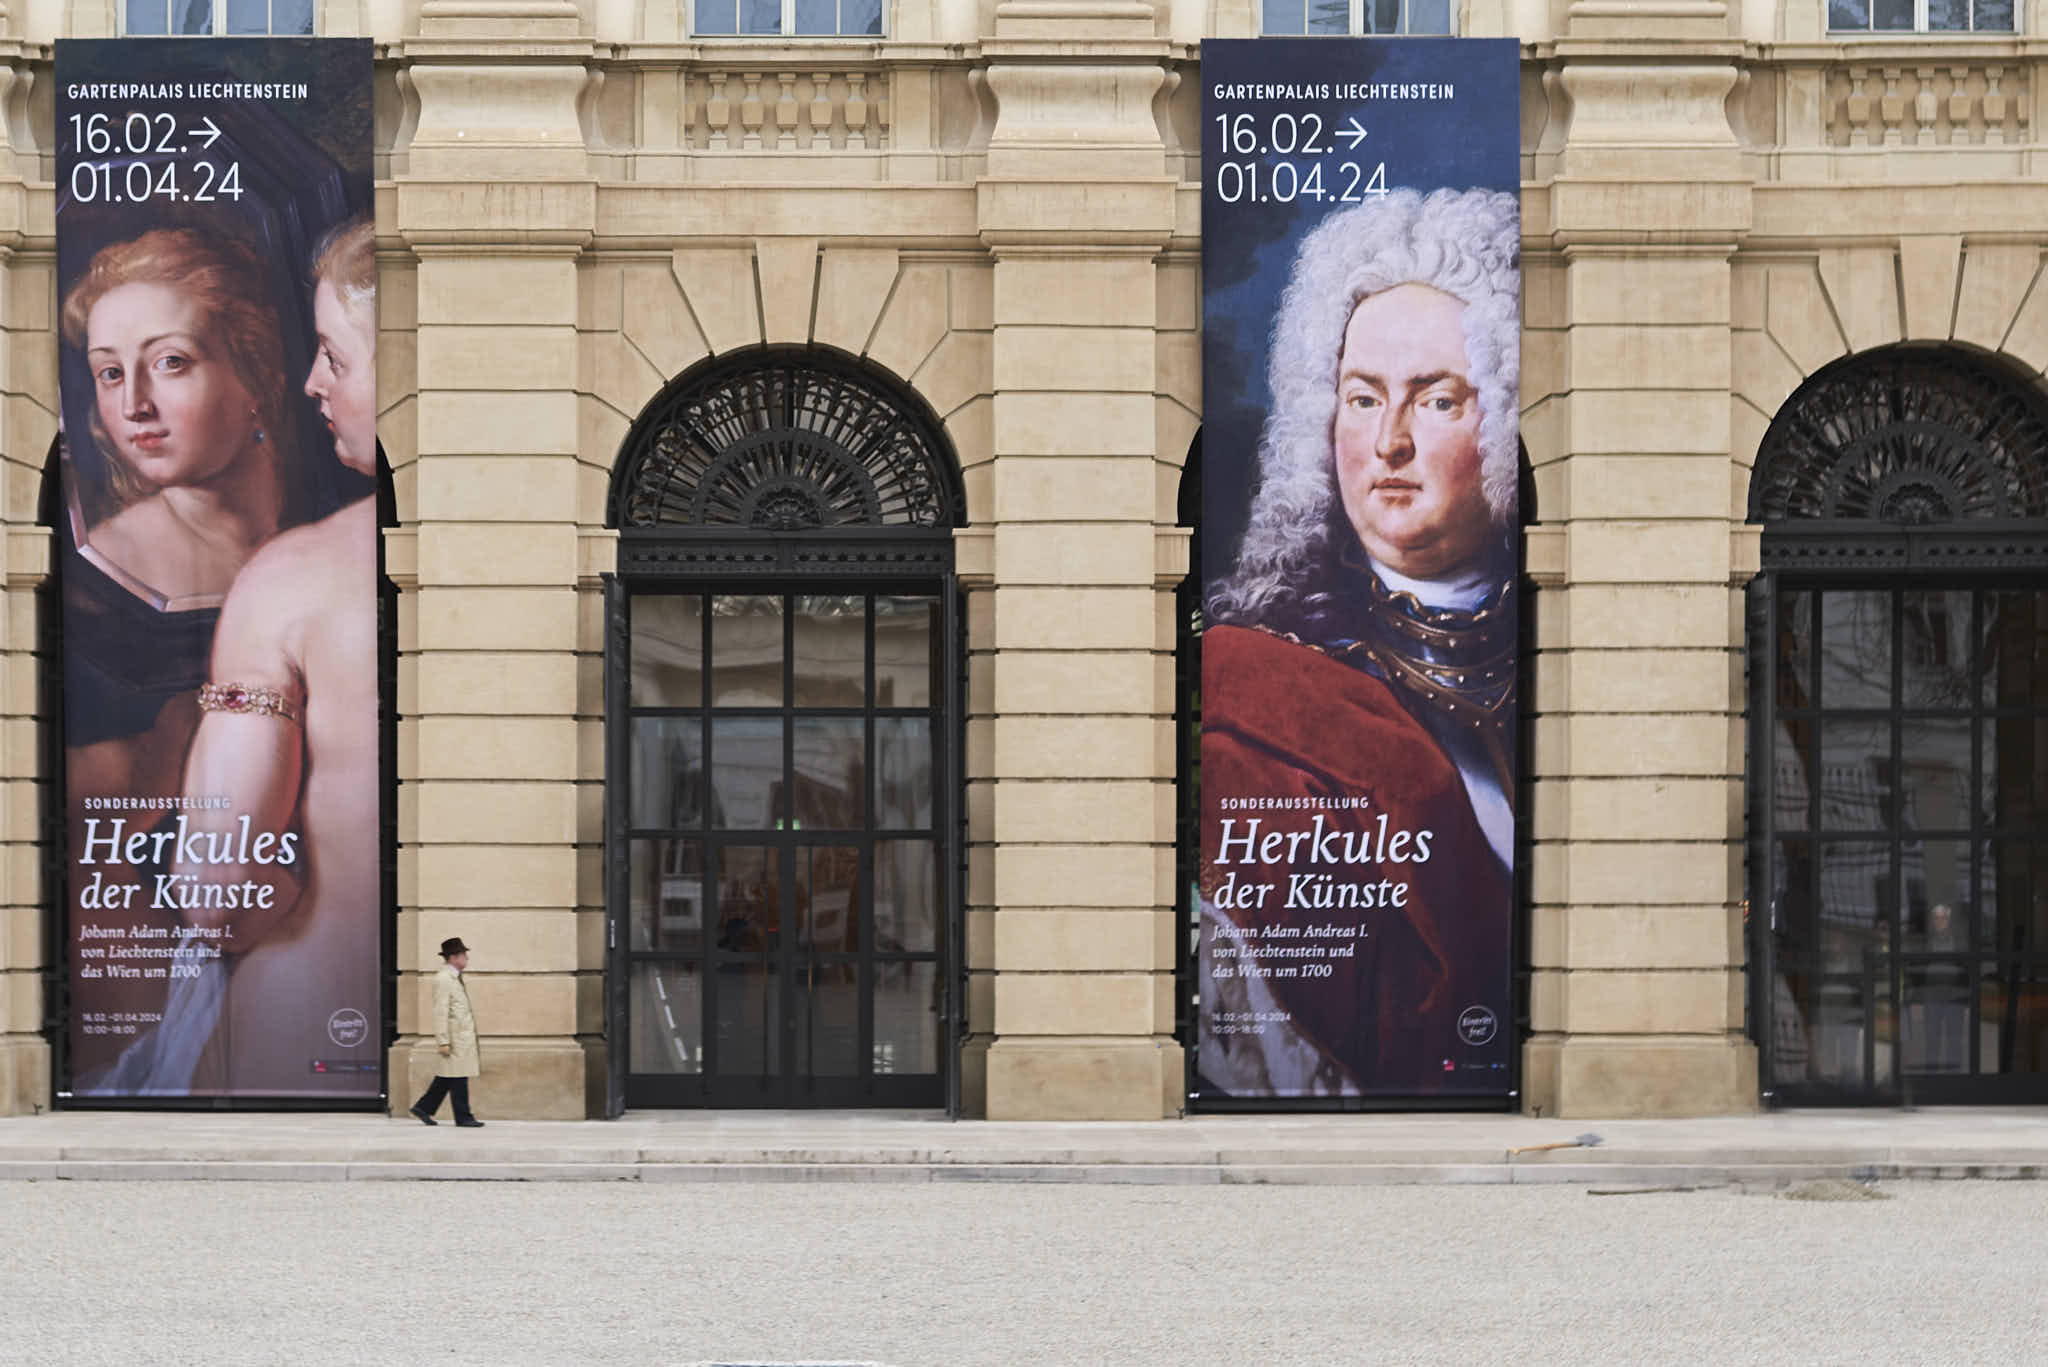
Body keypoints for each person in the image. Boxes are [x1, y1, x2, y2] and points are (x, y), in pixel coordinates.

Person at [1199, 188, 1519, 1097]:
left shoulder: (1549, 659)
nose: (1390, 441)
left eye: (1438, 399)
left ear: (1502, 419)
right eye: (1362, 397)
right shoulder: (1262, 678)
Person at [59, 227, 307, 1090]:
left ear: (254, 373)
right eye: (109, 371)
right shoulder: (97, 587)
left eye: (168, 362)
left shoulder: (322, 535)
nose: (133, 405)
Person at [168, 217, 380, 1094]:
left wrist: (300, 895)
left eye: (336, 355)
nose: (310, 383)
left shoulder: (292, 581)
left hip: (303, 1039)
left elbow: (214, 889)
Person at [411, 938, 483, 1127]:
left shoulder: (453, 977)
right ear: (453, 958)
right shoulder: (443, 979)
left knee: (449, 1076)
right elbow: (440, 1011)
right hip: (455, 1038)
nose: (467, 959)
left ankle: (424, 1107)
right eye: (463, 955)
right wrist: (442, 1040)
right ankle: (463, 1117)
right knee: (458, 1078)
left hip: (460, 1037)